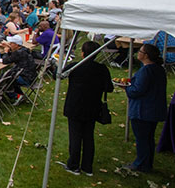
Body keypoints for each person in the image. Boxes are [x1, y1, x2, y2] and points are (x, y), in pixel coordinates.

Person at [55, 41, 113, 176]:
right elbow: (109, 88)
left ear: (82, 53)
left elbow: (58, 75)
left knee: (75, 136)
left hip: (76, 106)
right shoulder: (102, 69)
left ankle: (74, 165)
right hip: (92, 106)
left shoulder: (76, 67)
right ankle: (87, 167)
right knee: (88, 136)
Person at [121, 44, 167, 172]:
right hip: (154, 109)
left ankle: (140, 163)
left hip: (143, 110)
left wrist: (127, 88)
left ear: (146, 55)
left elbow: (137, 90)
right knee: (148, 138)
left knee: (142, 138)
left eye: (140, 51)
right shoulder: (158, 69)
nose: (138, 53)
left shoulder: (147, 71)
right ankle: (147, 163)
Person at [0, 35, 37, 105]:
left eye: (11, 43)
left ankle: (16, 96)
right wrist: (10, 49)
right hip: (32, 77)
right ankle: (19, 95)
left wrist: (6, 52)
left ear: (16, 45)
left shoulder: (18, 53)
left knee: (3, 79)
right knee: (8, 77)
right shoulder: (24, 50)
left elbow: (5, 61)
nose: (10, 44)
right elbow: (14, 56)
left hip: (25, 79)